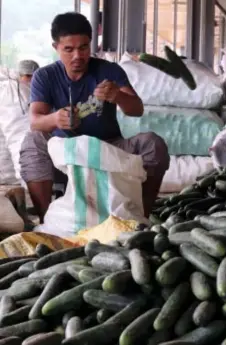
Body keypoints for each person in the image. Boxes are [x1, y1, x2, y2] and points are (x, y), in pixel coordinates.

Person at [19, 12, 170, 223]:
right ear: (56, 48)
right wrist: (55, 119)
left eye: (83, 47)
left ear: (91, 43)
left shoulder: (109, 70)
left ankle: (139, 220)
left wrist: (117, 95)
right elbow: (35, 120)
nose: (77, 56)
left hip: (108, 148)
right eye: (68, 49)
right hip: (65, 152)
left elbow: (136, 109)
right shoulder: (45, 76)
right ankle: (46, 222)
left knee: (153, 145)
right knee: (33, 141)